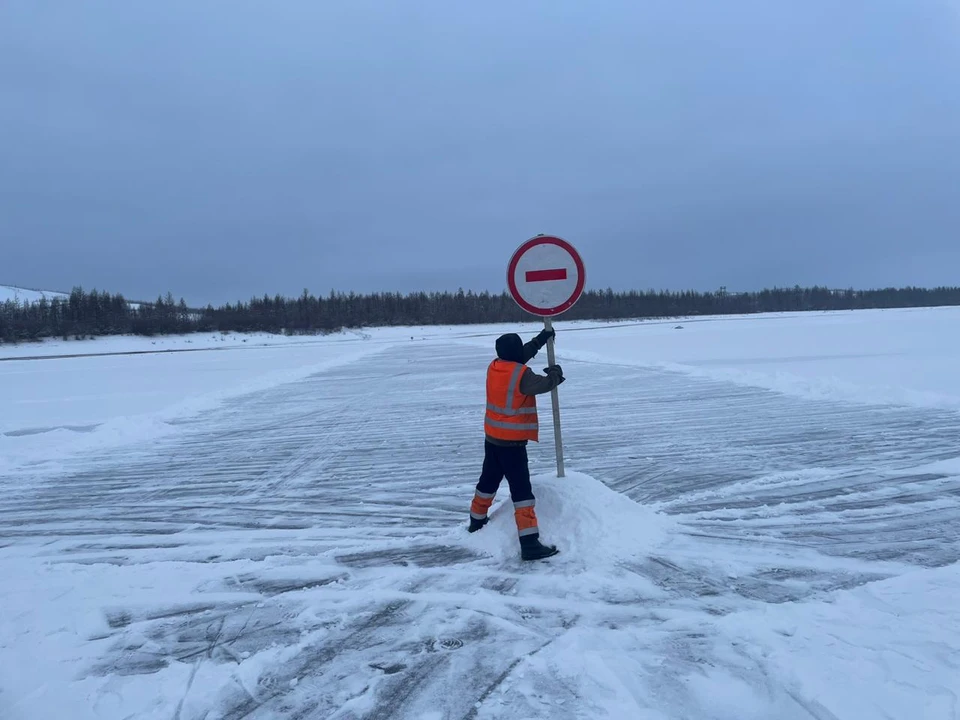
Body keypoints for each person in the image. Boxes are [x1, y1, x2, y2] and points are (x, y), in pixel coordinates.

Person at [467, 327, 565, 561]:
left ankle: (476, 522)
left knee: (487, 482)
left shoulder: (495, 367)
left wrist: (542, 339)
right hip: (512, 445)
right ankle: (529, 543)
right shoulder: (522, 375)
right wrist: (555, 374)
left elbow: (520, 355)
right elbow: (543, 384)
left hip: (492, 439)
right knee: (522, 492)